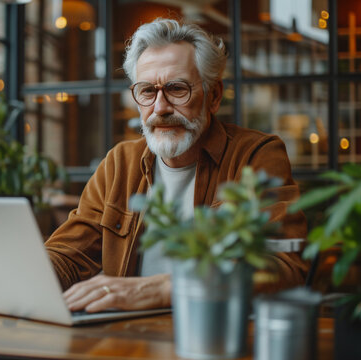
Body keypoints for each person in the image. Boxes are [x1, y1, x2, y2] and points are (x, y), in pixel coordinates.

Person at [45, 18, 307, 313]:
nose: (160, 108)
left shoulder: (255, 155)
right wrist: (25, 273)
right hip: (129, 340)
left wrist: (163, 289)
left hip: (213, 336)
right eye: (147, 91)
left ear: (214, 95)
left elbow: (284, 268)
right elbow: (68, 256)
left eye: (177, 89)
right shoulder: (119, 163)